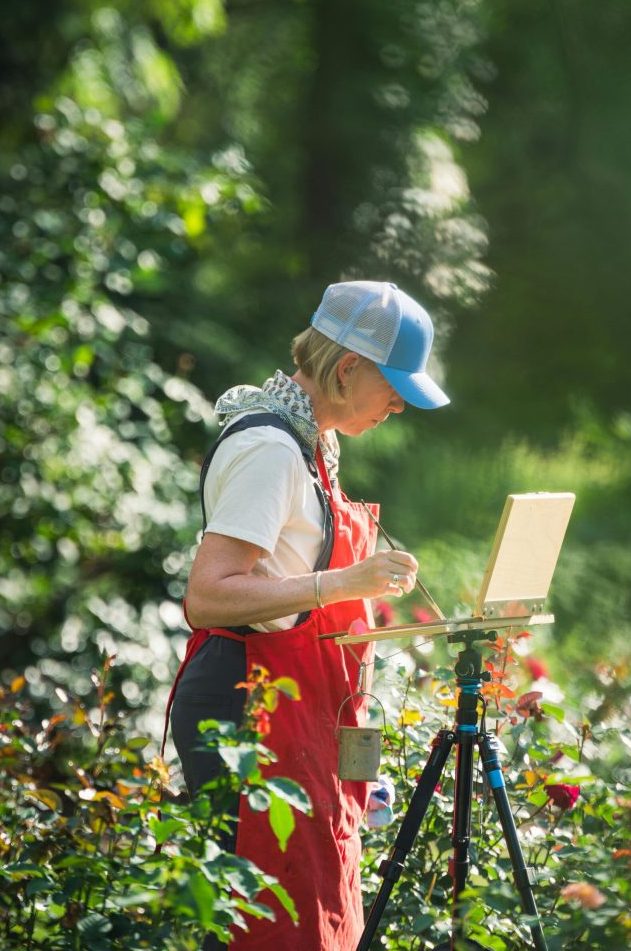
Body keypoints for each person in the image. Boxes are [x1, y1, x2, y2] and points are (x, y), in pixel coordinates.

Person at [166, 279, 449, 950]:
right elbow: (207, 596)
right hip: (245, 703)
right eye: (395, 387)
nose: (400, 407)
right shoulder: (269, 447)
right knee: (258, 926)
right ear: (348, 368)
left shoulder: (312, 445)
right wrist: (344, 581)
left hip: (297, 705)